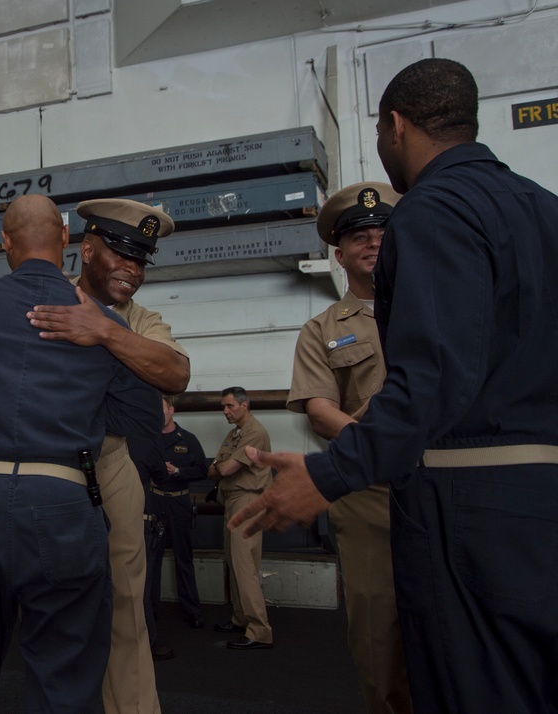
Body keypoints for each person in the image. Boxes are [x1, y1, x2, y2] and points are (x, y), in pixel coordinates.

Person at [230, 58, 558, 713]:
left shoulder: (433, 210)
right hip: (541, 502)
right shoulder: (544, 210)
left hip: (464, 502)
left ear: (397, 126)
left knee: (472, 688)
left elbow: (437, 375)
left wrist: (330, 473)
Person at [0, 194, 162, 712]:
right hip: (63, 503)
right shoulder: (104, 325)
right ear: (65, 240)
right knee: (64, 678)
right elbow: (145, 417)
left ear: (5, 242)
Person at [27, 197, 189, 714]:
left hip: (113, 465)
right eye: (120, 254)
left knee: (125, 606)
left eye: (140, 260)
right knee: (49, 604)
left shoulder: (140, 318)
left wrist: (104, 330)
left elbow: (175, 373)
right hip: (48, 468)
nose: (131, 270)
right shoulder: (43, 301)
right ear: (87, 248)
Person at [287, 181, 412, 714]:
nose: (373, 242)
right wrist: (374, 444)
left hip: (442, 476)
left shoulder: (431, 305)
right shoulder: (322, 330)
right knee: (378, 626)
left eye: (382, 231)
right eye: (359, 235)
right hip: (370, 491)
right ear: (339, 256)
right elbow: (319, 408)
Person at [209, 387, 272, 650]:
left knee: (245, 566)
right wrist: (218, 468)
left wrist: (219, 468)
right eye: (224, 407)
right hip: (232, 501)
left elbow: (224, 467)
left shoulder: (255, 433)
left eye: (230, 406)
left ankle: (259, 631)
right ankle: (240, 618)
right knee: (234, 562)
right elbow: (214, 468)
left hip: (248, 501)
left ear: (245, 405)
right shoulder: (234, 434)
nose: (225, 411)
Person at [152, 394, 206, 630]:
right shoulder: (148, 439)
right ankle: (150, 611)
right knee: (152, 560)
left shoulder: (188, 439)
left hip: (179, 502)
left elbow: (202, 470)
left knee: (184, 558)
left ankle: (192, 610)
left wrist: (177, 472)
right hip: (154, 502)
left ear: (171, 410)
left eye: (161, 409)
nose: (157, 413)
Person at [126, 432, 176, 662]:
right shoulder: (145, 443)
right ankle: (148, 643)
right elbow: (162, 477)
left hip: (104, 520)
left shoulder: (97, 439)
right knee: (141, 586)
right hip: (140, 519)